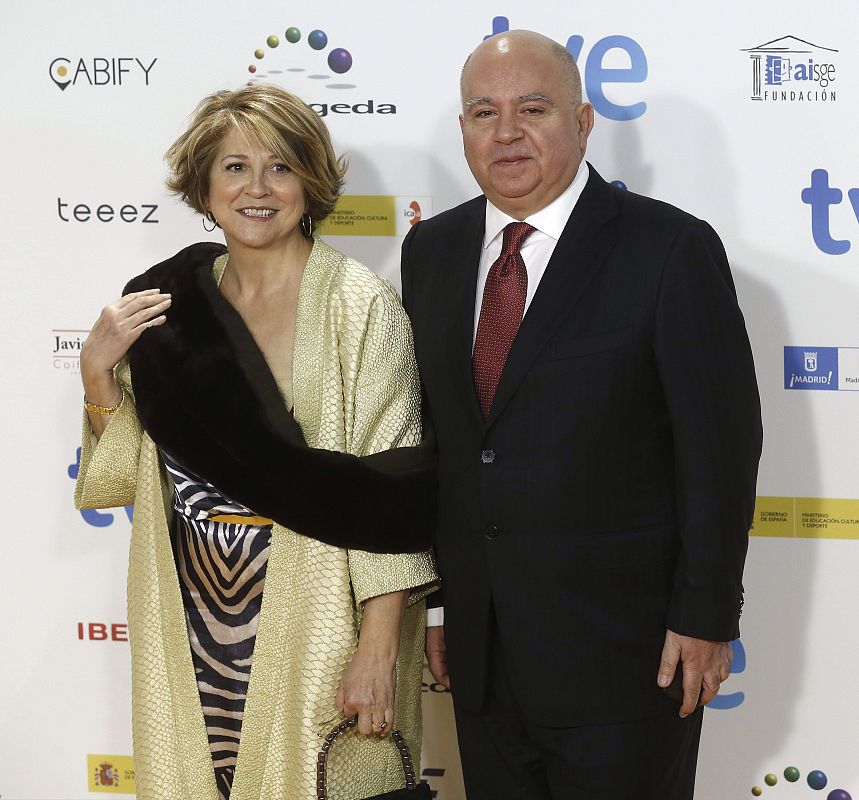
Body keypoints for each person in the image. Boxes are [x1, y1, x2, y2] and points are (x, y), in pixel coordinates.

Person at [401, 30, 762, 800]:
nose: (505, 133)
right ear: (461, 128)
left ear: (582, 120)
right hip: (482, 656)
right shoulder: (430, 251)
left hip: (626, 664)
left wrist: (705, 617)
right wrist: (439, 609)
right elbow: (438, 447)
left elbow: (719, 451)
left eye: (532, 108)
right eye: (482, 112)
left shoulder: (667, 249)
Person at [75, 84, 438, 800]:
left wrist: (375, 649)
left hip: (320, 617)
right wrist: (96, 373)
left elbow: (393, 496)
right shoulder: (166, 305)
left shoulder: (359, 304)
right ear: (204, 186)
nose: (257, 188)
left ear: (310, 181)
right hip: (188, 612)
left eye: (280, 167)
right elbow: (122, 479)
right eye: (234, 167)